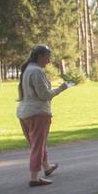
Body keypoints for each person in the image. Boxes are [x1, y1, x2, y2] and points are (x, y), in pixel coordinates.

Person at [16, 45, 71, 186]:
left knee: (38, 144)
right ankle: (34, 178)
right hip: (38, 113)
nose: (49, 61)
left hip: (24, 112)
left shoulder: (28, 69)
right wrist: (61, 88)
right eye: (48, 57)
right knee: (38, 146)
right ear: (40, 56)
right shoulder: (37, 71)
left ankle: (47, 167)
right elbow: (44, 95)